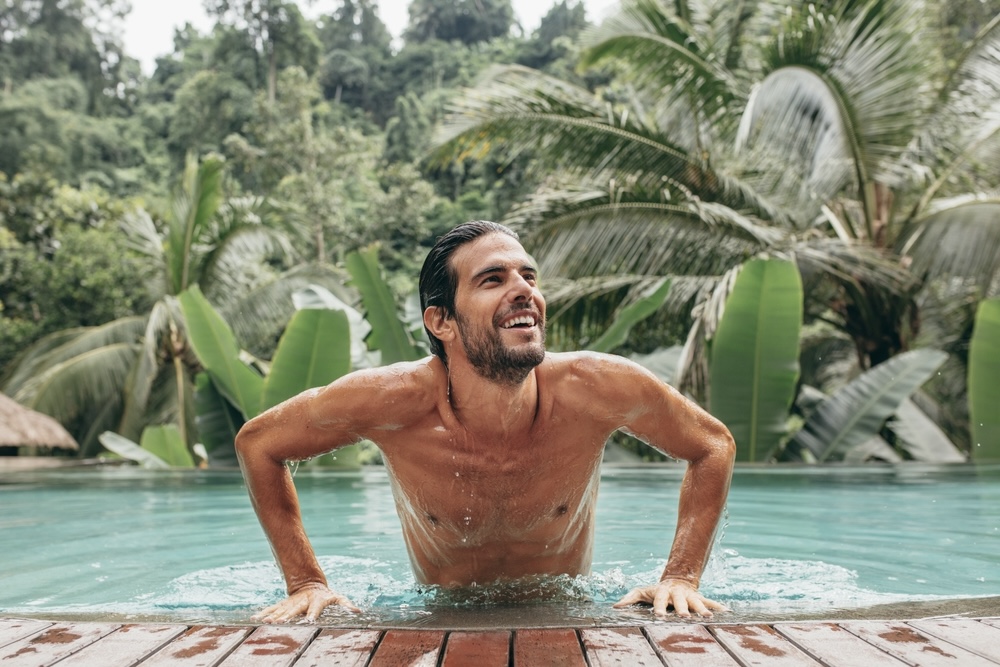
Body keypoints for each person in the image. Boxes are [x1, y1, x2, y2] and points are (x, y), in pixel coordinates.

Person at [235, 220, 736, 623]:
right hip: (437, 622)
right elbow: (259, 443)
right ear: (441, 322)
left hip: (567, 615)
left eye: (528, 277)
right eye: (493, 280)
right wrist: (306, 583)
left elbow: (711, 444)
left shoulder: (597, 388)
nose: (524, 291)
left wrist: (681, 577)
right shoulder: (389, 403)